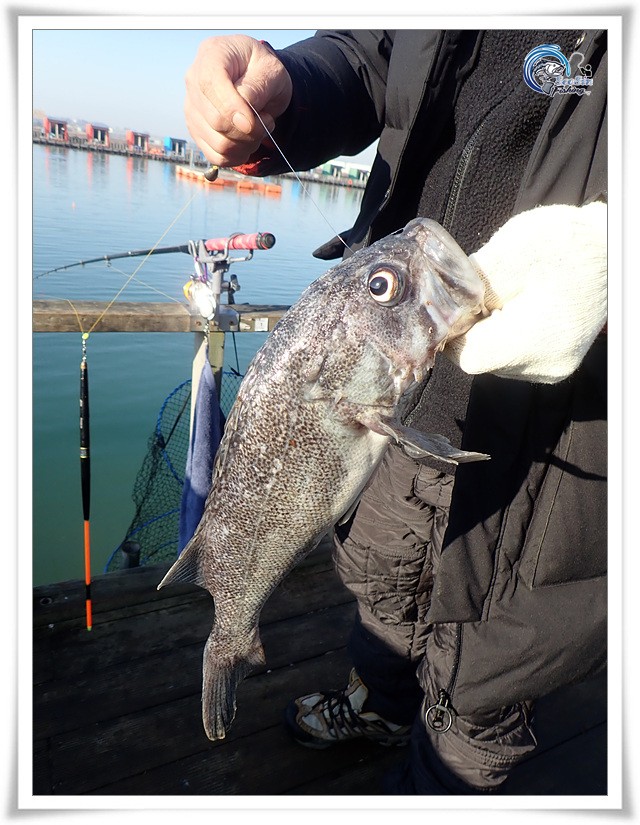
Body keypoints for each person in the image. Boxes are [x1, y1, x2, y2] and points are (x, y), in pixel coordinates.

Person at [184, 29, 608, 794]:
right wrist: (295, 86)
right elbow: (376, 56)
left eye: (383, 288)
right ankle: (377, 707)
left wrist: (618, 253)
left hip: (559, 453)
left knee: (484, 684)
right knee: (381, 590)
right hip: (404, 424)